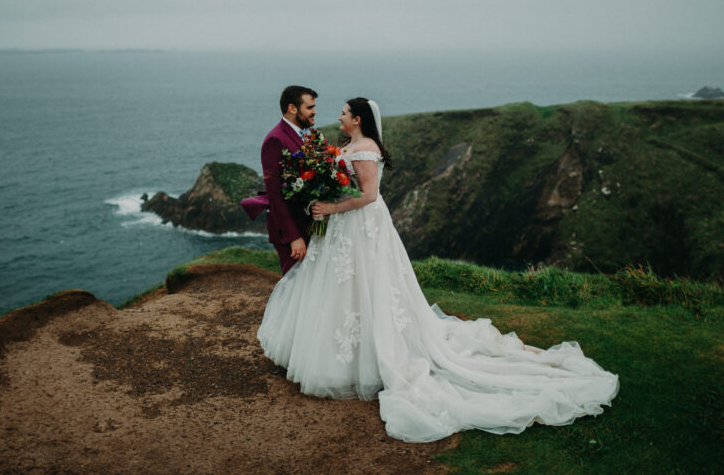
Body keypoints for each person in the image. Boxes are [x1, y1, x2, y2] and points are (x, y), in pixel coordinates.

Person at [258, 97, 619, 443]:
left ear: (358, 120)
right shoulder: (349, 147)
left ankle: (366, 359)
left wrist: (332, 210)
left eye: (344, 113)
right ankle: (342, 357)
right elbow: (346, 185)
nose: (338, 117)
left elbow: (368, 196)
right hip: (346, 228)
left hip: (362, 226)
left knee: (370, 287)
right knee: (345, 288)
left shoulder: (365, 148)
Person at [257, 85, 317, 275]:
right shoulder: (275, 140)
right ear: (293, 108)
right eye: (309, 107)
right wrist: (294, 237)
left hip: (308, 225)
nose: (314, 112)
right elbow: (275, 195)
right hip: (292, 230)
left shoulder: (303, 134)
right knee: (294, 286)